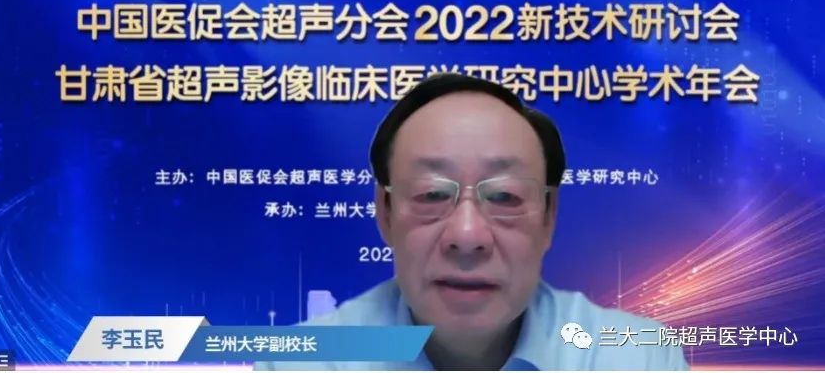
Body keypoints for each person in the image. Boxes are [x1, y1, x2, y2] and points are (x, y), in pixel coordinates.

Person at [256, 74, 688, 370]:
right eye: (431, 195)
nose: (467, 236)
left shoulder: (633, 359)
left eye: (504, 196)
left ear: (549, 216)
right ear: (384, 213)